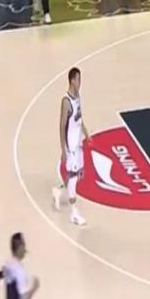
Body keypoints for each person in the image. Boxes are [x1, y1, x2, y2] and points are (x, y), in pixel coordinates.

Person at [52, 67, 89, 226]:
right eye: (78, 79)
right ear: (72, 80)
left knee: (78, 174)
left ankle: (59, 190)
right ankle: (74, 214)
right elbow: (62, 126)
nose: (80, 82)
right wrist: (63, 150)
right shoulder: (66, 102)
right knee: (73, 177)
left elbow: (79, 118)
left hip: (78, 142)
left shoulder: (77, 96)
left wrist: (86, 133)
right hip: (70, 146)